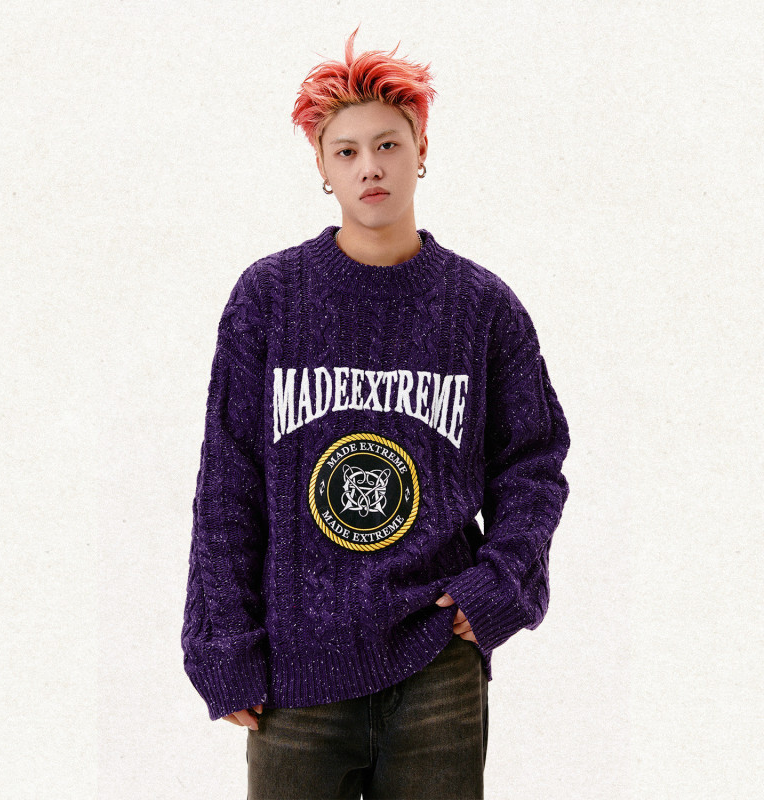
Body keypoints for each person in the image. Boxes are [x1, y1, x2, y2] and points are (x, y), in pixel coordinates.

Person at [181, 26, 571, 800]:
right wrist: (225, 645)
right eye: (348, 150)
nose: (371, 167)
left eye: (388, 144)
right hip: (294, 669)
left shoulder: (482, 308)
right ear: (322, 166)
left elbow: (533, 464)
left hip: (437, 659)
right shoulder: (269, 298)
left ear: (421, 149)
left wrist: (498, 582)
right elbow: (228, 482)